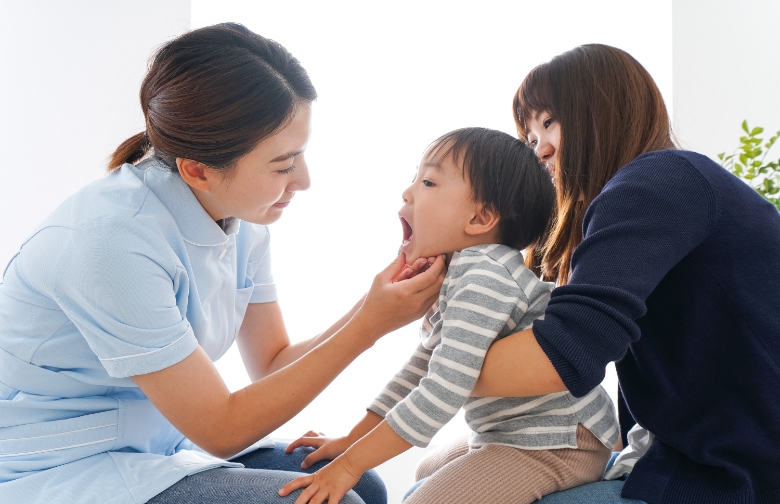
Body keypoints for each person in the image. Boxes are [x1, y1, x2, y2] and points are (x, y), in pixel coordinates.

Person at [0, 23, 445, 504]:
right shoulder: (109, 242)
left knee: (361, 483)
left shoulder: (240, 218)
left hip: (154, 443)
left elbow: (271, 364)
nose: (304, 180)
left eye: (300, 155)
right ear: (197, 169)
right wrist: (371, 325)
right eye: (283, 165)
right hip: (56, 466)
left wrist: (375, 304)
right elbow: (221, 429)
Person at [459, 44, 780, 504]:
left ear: (601, 111)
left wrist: (440, 372)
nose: (540, 149)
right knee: (441, 472)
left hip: (738, 474)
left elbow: (564, 352)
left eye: (550, 122)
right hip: (706, 454)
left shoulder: (657, 181)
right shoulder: (656, 185)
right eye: (530, 137)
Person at [277, 127, 620, 504]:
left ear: (481, 217)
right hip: (513, 432)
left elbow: (442, 389)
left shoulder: (484, 276)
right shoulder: (458, 271)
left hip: (557, 441)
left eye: (427, 182)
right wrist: (352, 440)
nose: (407, 192)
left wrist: (349, 465)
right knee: (426, 469)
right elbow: (418, 370)